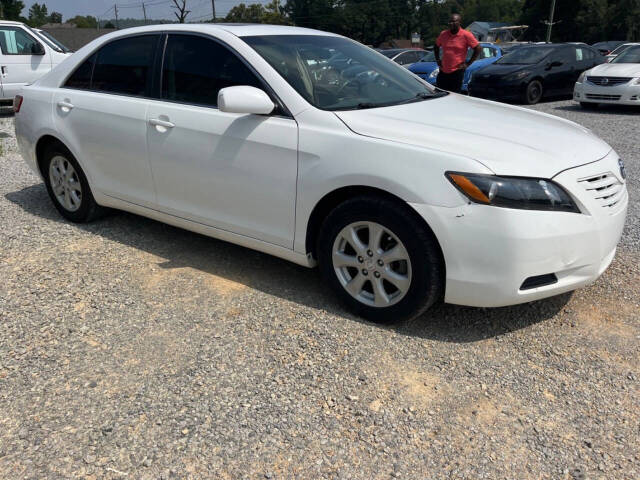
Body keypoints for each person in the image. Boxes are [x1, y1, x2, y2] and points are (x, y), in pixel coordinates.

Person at [434, 14, 482, 93]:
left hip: (457, 71)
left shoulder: (466, 35)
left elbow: (478, 48)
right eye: (450, 21)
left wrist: (468, 64)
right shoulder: (443, 34)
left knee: (454, 96)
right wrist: (438, 60)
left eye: (453, 21)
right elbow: (436, 46)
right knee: (440, 94)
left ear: (459, 23)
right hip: (443, 71)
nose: (450, 23)